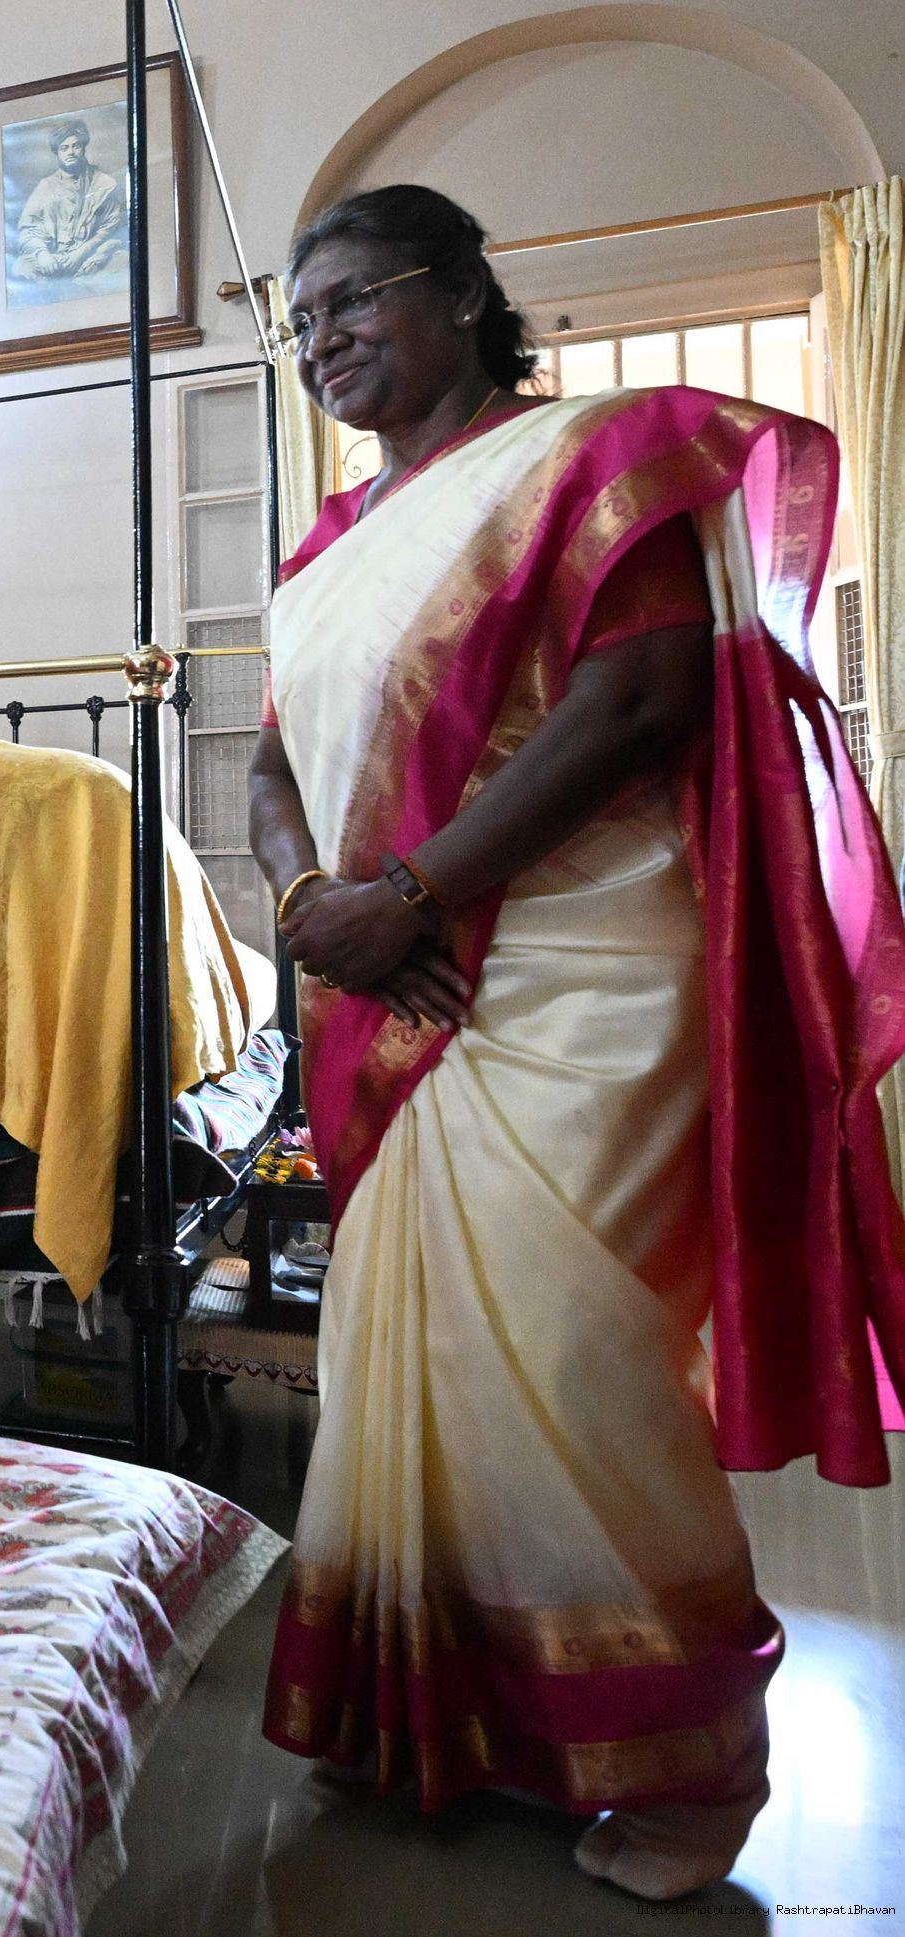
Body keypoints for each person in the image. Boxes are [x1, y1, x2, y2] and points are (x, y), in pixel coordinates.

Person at [249, 183, 905, 1901]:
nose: (324, 339)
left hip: (576, 975)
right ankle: (447, 1716)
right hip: (392, 983)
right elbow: (268, 768)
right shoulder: (321, 550)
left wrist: (412, 892)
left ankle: (685, 1765)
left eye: (355, 299)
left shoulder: (590, 459)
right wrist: (314, 897)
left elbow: (637, 700)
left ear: (464, 294)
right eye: (301, 320)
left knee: (574, 1368)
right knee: (412, 1368)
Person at [11, 118, 126, 295]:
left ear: (84, 147)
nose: (71, 152)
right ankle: (60, 293)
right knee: (20, 268)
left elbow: (110, 228)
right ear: (56, 152)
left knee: (124, 261)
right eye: (64, 148)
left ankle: (75, 289)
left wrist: (81, 253)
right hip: (55, 259)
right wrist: (43, 254)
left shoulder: (104, 184)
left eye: (76, 146)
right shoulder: (45, 187)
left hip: (91, 254)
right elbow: (29, 228)